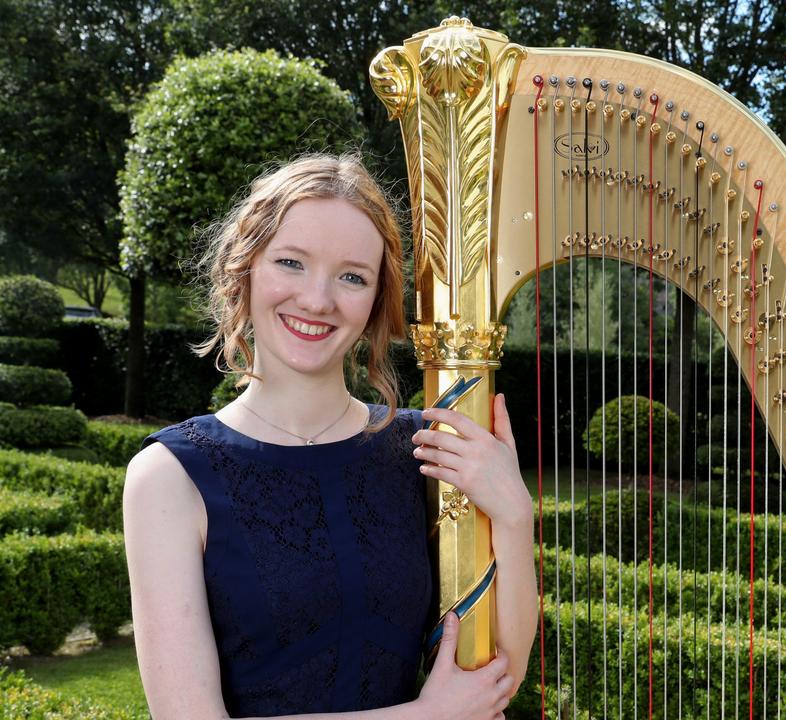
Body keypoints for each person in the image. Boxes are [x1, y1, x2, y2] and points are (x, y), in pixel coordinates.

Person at [123, 153, 537, 720]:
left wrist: (514, 516)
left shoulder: (426, 449)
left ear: (375, 302)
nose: (318, 300)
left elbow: (495, 679)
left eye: (351, 277)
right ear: (244, 268)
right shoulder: (170, 476)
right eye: (291, 262)